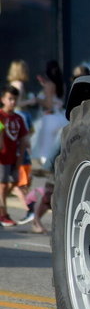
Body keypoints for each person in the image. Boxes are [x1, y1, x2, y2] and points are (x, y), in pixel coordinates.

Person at [0, 86, 30, 227]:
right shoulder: (1, 116)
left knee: (13, 182)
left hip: (14, 157)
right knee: (3, 185)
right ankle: (3, 215)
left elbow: (24, 138)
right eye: (9, 99)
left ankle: (2, 208)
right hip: (2, 157)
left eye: (15, 99)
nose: (12, 102)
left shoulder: (18, 118)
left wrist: (20, 158)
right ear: (3, 99)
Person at [31, 60, 68, 170]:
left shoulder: (49, 85)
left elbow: (48, 104)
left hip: (50, 118)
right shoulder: (61, 84)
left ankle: (48, 169)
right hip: (61, 117)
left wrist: (37, 99)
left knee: (45, 150)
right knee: (58, 145)